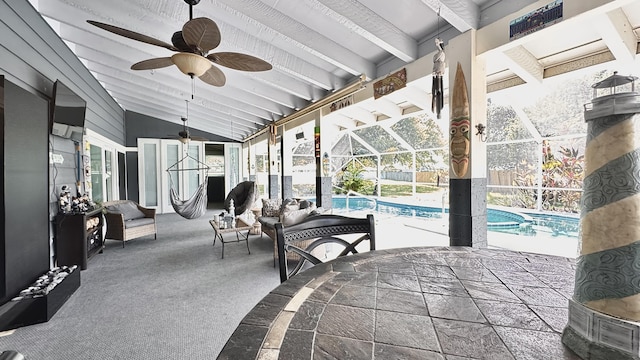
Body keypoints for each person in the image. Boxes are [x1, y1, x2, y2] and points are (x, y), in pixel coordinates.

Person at [432, 38, 445, 119]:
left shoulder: (441, 54)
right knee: (437, 90)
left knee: (438, 90)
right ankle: (438, 113)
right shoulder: (441, 54)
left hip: (439, 71)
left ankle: (439, 113)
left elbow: (440, 53)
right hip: (437, 71)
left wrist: (438, 44)